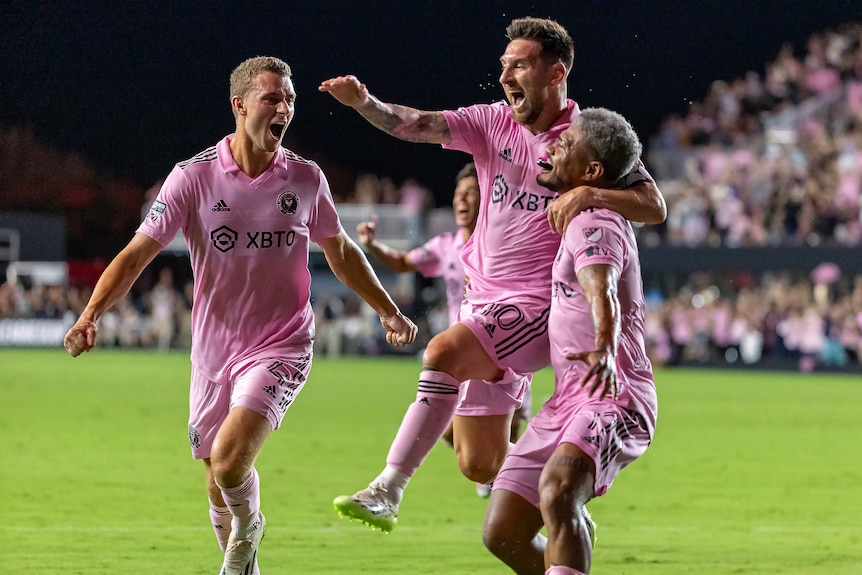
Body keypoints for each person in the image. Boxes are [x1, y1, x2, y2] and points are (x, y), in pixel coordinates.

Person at [63, 56, 417, 575]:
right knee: (215, 478)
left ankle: (251, 527)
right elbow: (137, 254)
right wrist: (90, 313)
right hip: (213, 349)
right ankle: (246, 565)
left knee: (230, 460)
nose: (285, 108)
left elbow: (340, 251)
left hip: (282, 342)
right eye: (273, 98)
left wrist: (388, 310)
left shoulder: (304, 178)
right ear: (240, 104)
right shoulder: (193, 177)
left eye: (290, 99)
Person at [319, 16, 665, 533]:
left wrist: (590, 192)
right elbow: (416, 123)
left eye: (519, 64)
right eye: (503, 65)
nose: (506, 75)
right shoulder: (491, 122)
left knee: (439, 352)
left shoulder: (581, 137)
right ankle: (562, 503)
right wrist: (366, 105)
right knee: (478, 462)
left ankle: (387, 490)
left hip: (534, 306)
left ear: (555, 72)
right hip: (481, 303)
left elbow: (653, 205)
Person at [482, 107, 658, 575]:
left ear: (592, 171)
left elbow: (602, 288)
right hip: (568, 399)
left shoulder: (594, 219)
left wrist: (605, 342)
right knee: (502, 532)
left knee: (559, 491)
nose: (554, 144)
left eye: (568, 141)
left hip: (612, 394)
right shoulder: (579, 209)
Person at [356, 162, 532, 498]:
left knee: (501, 431)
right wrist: (374, 246)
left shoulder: (503, 245)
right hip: (459, 352)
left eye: (471, 192)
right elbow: (403, 262)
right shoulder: (445, 246)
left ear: (490, 199)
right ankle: (514, 478)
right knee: (455, 435)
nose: (462, 199)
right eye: (458, 193)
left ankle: (531, 482)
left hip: (497, 351)